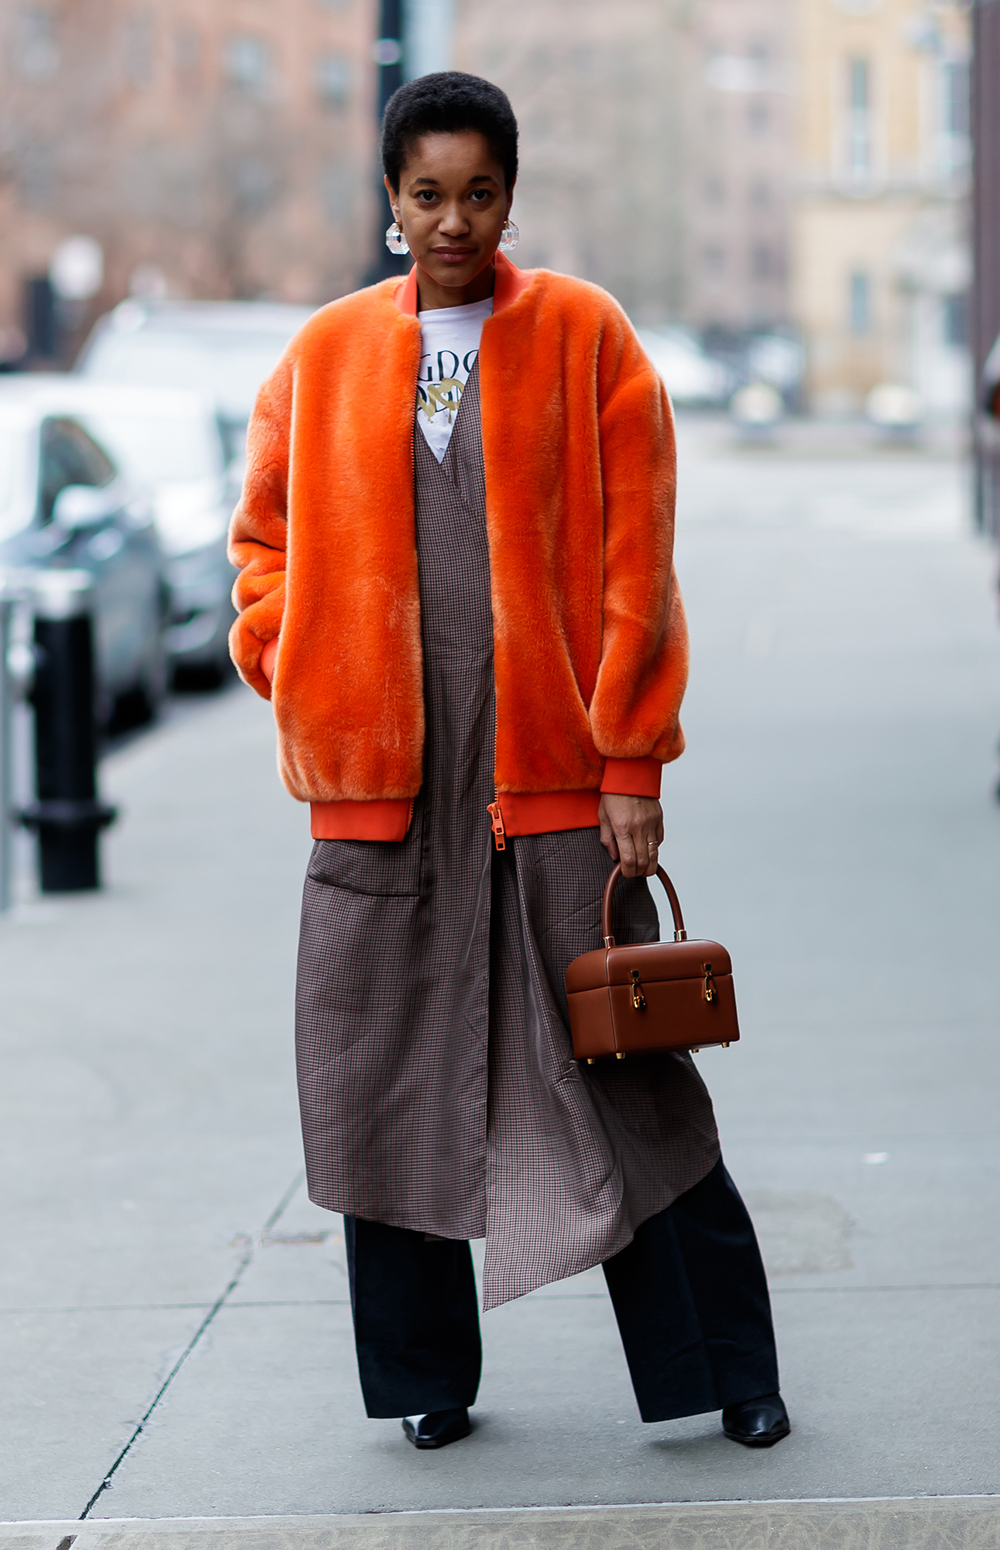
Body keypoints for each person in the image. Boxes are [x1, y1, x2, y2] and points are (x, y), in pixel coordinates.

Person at [229, 71, 790, 1453]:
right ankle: (425, 1379)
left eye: (477, 192)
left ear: (509, 197)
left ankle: (727, 1369)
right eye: (427, 193)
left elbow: (636, 565)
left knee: (628, 1077)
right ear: (390, 200)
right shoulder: (323, 355)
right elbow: (262, 547)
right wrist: (299, 666)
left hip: (553, 788)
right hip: (382, 801)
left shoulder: (586, 337)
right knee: (379, 1081)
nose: (453, 220)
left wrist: (631, 763)